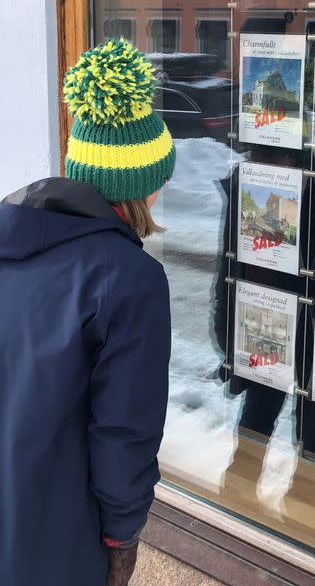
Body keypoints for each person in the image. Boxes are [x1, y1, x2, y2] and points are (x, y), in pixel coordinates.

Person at [0, 39, 176, 586]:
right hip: (56, 529)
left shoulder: (11, 240)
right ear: (141, 187)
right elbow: (124, 431)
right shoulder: (129, 280)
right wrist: (123, 539)